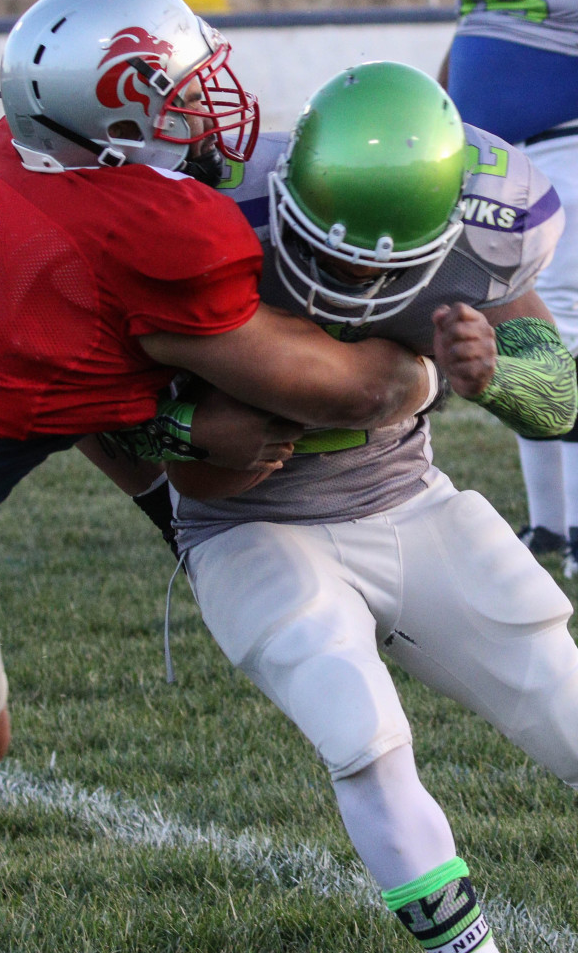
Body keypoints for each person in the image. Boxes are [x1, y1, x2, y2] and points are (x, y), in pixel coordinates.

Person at [0, 0, 440, 953]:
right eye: (179, 92)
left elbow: (82, 381)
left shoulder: (22, 157)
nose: (206, 107)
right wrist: (443, 324)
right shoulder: (126, 229)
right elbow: (349, 392)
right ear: (116, 113)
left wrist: (173, 467)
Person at [162, 62, 578, 953]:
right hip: (251, 524)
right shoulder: (202, 217)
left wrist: (497, 373)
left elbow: (563, 400)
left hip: (407, 498)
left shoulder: (482, 235)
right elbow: (84, 376)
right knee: (356, 719)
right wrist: (182, 425)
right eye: (323, 248)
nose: (351, 282)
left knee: (560, 691)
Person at [434, 0, 578, 574]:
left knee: (568, 341)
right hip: (495, 165)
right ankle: (551, 524)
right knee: (522, 333)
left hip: (562, 147)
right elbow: (478, 24)